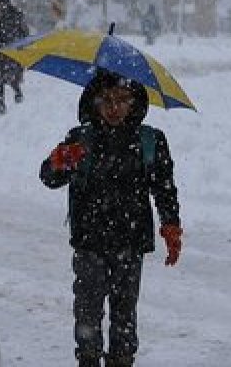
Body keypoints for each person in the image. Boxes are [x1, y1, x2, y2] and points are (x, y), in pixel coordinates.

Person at [39, 69, 184, 367]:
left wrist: (170, 225)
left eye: (122, 100)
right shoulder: (81, 138)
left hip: (130, 244)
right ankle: (89, 359)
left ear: (135, 103)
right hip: (90, 241)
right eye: (106, 100)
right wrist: (60, 161)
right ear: (93, 102)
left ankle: (122, 359)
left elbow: (164, 187)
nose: (114, 107)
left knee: (124, 315)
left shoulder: (150, 141)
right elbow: (49, 177)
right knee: (88, 313)